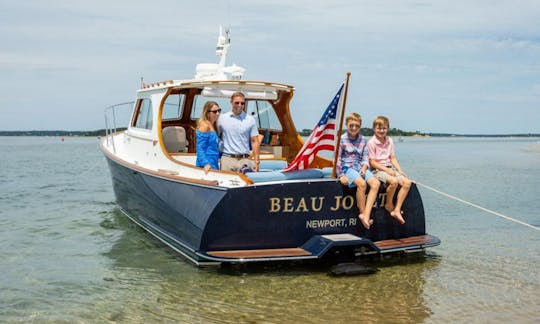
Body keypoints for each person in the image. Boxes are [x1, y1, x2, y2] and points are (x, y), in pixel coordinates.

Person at [336, 113, 380, 229]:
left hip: (360, 167)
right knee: (361, 184)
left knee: (376, 183)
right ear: (346, 125)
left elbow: (365, 157)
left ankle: (366, 214)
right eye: (351, 125)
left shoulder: (363, 140)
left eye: (357, 126)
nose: (354, 128)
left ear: (360, 126)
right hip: (347, 167)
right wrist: (341, 175)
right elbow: (337, 160)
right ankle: (363, 213)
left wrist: (365, 168)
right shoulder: (341, 140)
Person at [367, 116, 411, 224]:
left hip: (389, 168)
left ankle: (396, 210)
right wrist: (386, 170)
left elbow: (392, 158)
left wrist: (399, 170)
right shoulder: (371, 143)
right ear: (374, 128)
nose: (381, 131)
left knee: (407, 183)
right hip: (377, 170)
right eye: (379, 128)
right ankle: (388, 204)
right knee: (394, 181)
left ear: (388, 128)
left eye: (384, 128)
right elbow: (372, 162)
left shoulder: (389, 141)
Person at [218, 92, 260, 172]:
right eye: (237, 103)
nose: (240, 105)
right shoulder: (222, 118)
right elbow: (214, 135)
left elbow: (255, 141)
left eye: (242, 103)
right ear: (231, 102)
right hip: (227, 160)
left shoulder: (250, 120)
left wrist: (257, 162)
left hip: (245, 160)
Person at [196, 101, 221, 174]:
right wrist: (205, 164)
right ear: (207, 113)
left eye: (219, 111)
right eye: (214, 112)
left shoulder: (213, 125)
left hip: (214, 160)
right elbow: (199, 147)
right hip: (207, 163)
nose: (217, 113)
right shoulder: (205, 125)